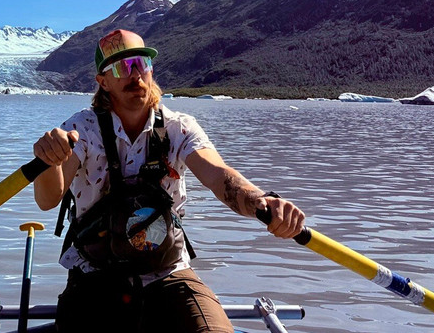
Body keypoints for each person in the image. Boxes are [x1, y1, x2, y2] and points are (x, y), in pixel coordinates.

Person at [33, 29, 306, 333]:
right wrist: (49, 162)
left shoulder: (179, 127)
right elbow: (48, 200)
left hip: (167, 272)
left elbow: (220, 176)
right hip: (95, 274)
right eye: (122, 68)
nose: (135, 75)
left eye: (141, 64)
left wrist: (261, 202)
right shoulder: (79, 130)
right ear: (103, 81)